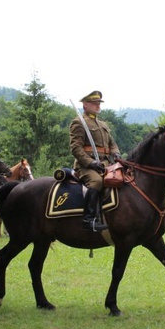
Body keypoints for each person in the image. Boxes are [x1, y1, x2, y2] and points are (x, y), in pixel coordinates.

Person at [69, 90, 121, 232]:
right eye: (94, 103)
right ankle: (89, 219)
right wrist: (90, 163)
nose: (97, 105)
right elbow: (76, 148)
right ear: (85, 105)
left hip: (105, 164)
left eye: (98, 103)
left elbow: (112, 144)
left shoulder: (103, 124)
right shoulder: (79, 122)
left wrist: (116, 154)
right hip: (86, 166)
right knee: (97, 181)